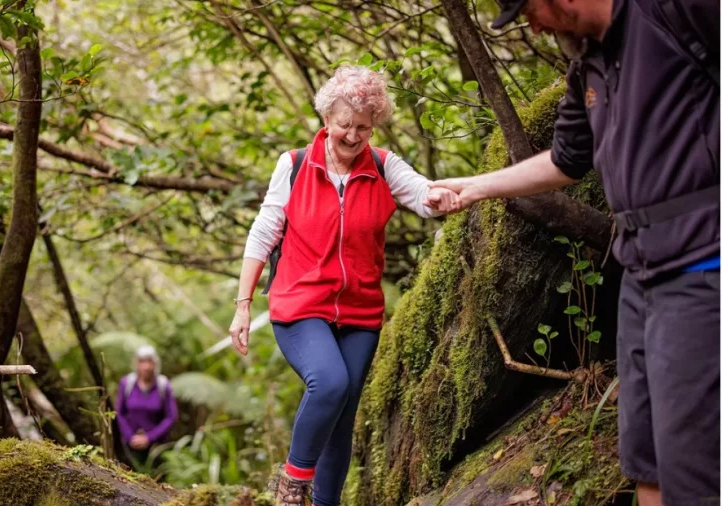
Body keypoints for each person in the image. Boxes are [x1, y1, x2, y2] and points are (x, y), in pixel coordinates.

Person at [424, 0, 719, 504]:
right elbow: (566, 160)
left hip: (702, 263)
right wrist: (474, 186)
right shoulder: (588, 63)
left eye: (530, 9)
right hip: (639, 273)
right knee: (644, 460)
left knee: (693, 469)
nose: (532, 25)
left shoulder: (674, 12)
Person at [229, 66, 461, 506]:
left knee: (342, 416)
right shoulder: (295, 165)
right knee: (329, 384)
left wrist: (440, 196)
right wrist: (242, 306)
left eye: (363, 128)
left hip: (360, 314)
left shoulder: (382, 166)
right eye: (344, 126)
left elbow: (420, 194)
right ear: (326, 120)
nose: (353, 136)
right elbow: (263, 234)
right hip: (300, 307)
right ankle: (293, 486)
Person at [115, 345, 178, 467]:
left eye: (150, 362)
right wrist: (130, 437)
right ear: (137, 364)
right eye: (142, 362)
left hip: (156, 448)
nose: (146, 367)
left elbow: (171, 416)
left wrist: (149, 437)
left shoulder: (163, 385)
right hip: (130, 447)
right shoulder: (127, 384)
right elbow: (119, 413)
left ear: (155, 364)